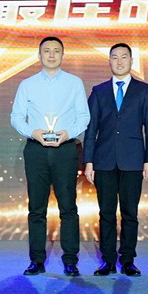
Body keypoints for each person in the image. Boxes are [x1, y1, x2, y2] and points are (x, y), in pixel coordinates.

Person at [10, 36, 90, 277]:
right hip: (36, 150)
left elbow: (83, 117)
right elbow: (16, 117)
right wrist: (32, 132)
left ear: (63, 55)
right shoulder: (27, 84)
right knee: (37, 209)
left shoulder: (74, 83)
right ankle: (36, 260)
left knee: (68, 207)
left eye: (56, 51)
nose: (52, 55)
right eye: (47, 51)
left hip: (66, 150)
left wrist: (69, 134)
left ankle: (70, 260)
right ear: (39, 55)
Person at [83, 43, 148, 276]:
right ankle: (107, 260)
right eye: (114, 57)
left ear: (131, 61)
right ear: (109, 61)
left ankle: (127, 261)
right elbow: (91, 129)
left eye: (124, 57)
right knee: (106, 213)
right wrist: (89, 161)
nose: (119, 61)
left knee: (129, 213)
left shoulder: (144, 90)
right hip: (103, 161)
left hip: (133, 161)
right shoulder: (99, 91)